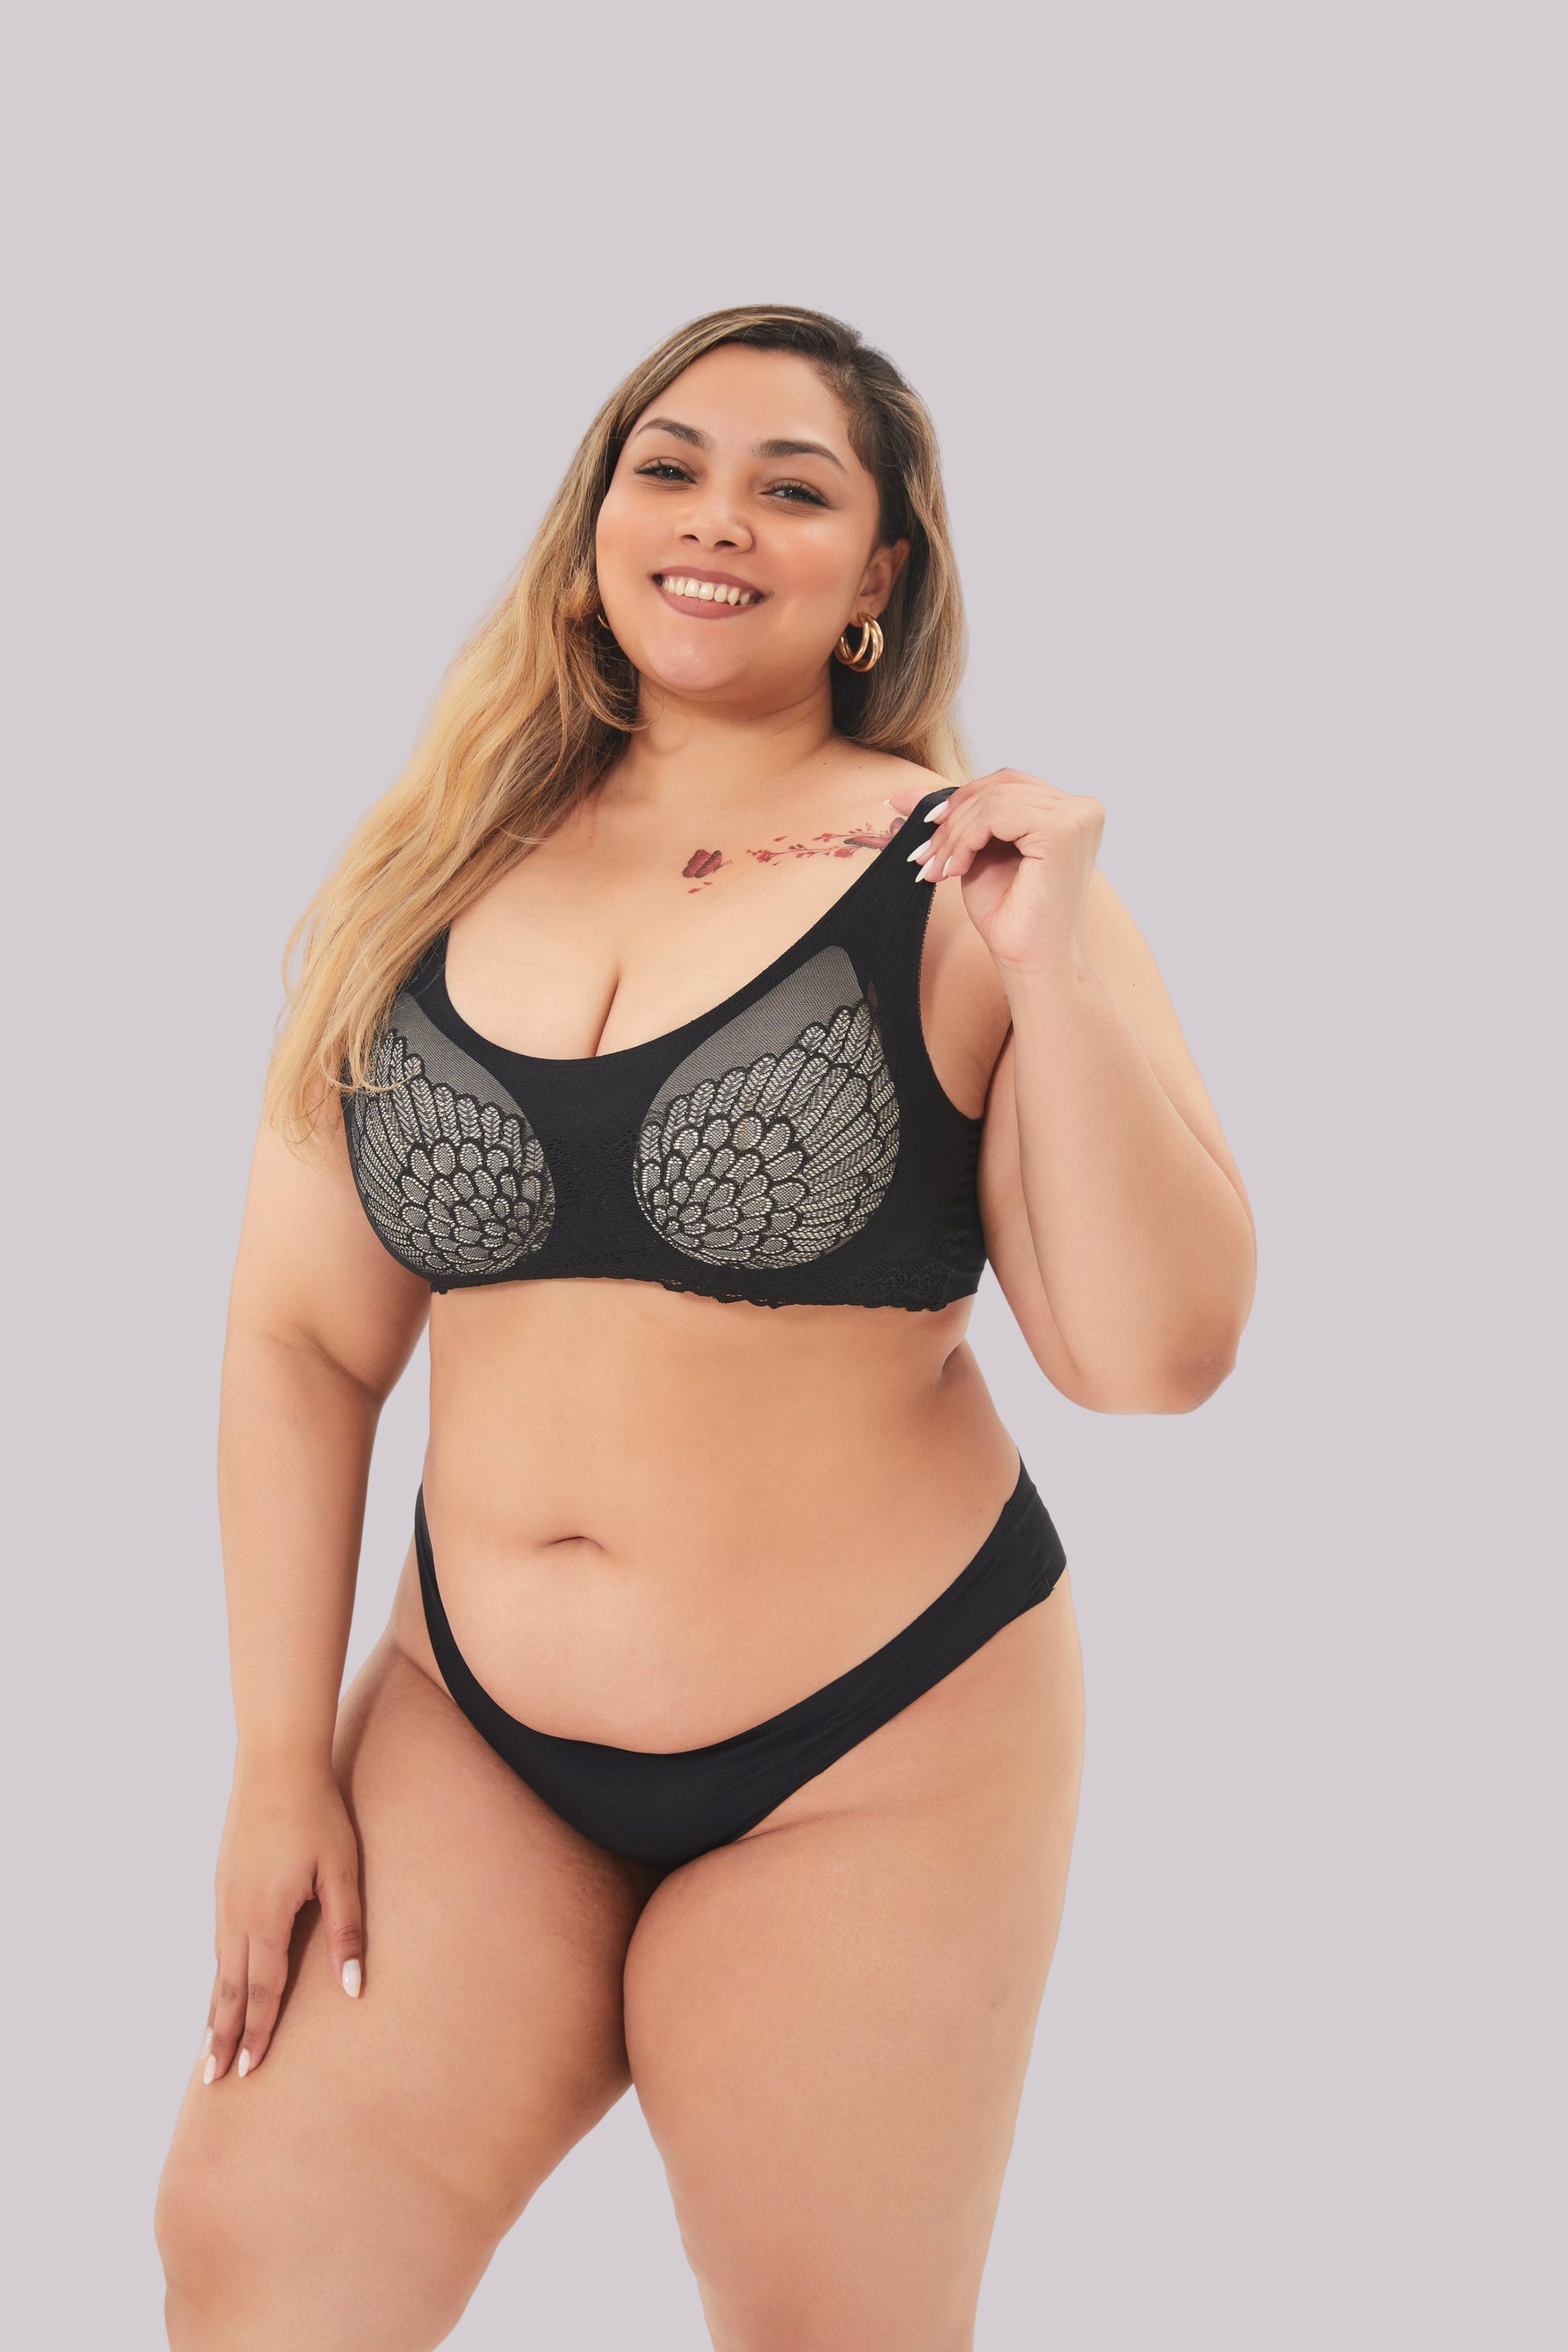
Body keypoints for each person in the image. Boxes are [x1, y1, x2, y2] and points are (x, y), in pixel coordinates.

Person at [154, 303, 1256, 2350]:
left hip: (876, 1740)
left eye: (791, 486)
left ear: (878, 571)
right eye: (666, 467)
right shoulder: (430, 866)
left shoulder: (975, 875)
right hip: (468, 1729)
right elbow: (301, 1340)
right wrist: (277, 1760)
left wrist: (1056, 976)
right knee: (260, 2241)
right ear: (594, 528)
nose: (716, 518)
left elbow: (1151, 1355)